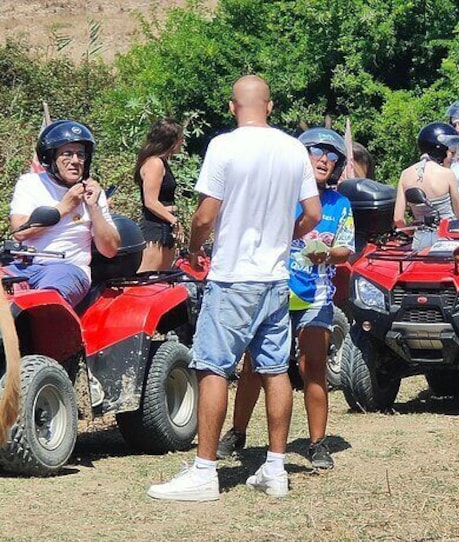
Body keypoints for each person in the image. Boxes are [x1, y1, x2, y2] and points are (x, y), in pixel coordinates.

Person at [147, 75, 322, 502]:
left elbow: (206, 215)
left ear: (231, 108)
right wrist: (285, 237)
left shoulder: (223, 146)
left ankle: (205, 472)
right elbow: (313, 213)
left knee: (213, 368)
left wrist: (192, 249)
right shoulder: (294, 148)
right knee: (276, 369)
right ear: (271, 106)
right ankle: (276, 468)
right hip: (275, 278)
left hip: (232, 276)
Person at [217, 127, 355, 470]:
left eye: (331, 156)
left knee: (313, 367)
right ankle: (237, 433)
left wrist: (328, 254)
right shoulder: (278, 193)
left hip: (315, 295)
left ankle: (317, 443)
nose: (324, 160)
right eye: (316, 153)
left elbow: (346, 248)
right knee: (253, 367)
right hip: (272, 290)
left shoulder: (340, 204)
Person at [8, 120, 120, 307]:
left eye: (80, 155)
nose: (75, 161)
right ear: (50, 158)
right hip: (21, 267)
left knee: (44, 304)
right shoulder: (30, 183)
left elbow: (110, 250)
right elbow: (20, 231)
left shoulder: (92, 192)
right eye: (67, 154)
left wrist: (94, 208)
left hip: (67, 269)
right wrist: (64, 207)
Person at [394, 122, 459, 249]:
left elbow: (398, 219)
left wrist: (412, 232)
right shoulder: (447, 174)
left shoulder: (405, 174)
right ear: (442, 149)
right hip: (446, 240)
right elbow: (458, 215)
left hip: (419, 241)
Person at [135, 118, 185, 272]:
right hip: (155, 230)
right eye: (181, 138)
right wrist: (174, 221)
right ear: (172, 140)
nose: (182, 142)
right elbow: (151, 202)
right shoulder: (154, 163)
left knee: (162, 279)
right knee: (150, 278)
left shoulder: (162, 162)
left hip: (164, 228)